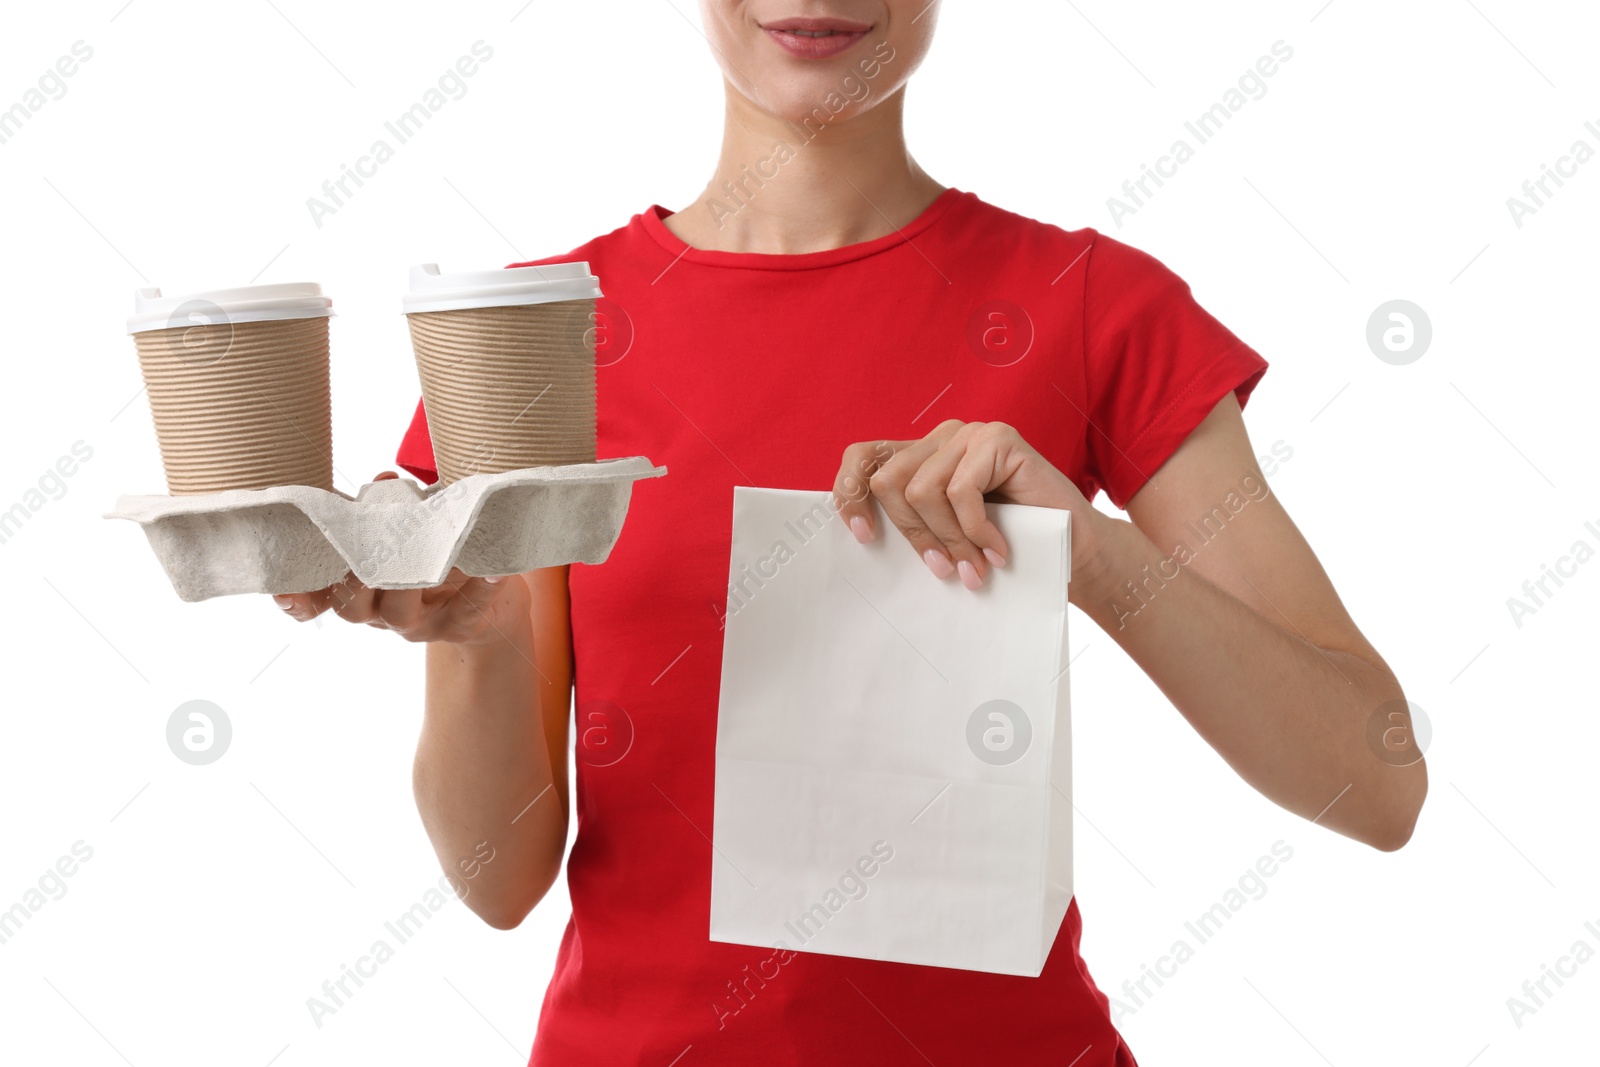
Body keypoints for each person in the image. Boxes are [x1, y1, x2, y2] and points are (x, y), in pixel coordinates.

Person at [273, 3, 1427, 1063]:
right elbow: (496, 879)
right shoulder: (530, 340)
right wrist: (473, 637)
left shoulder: (1091, 306)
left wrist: (1094, 550)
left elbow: (1375, 786)